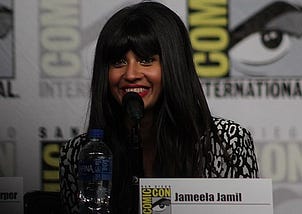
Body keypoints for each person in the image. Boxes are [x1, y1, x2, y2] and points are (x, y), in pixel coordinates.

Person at [59, 1, 259, 213]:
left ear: (174, 66)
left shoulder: (227, 143)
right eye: (118, 62)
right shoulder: (79, 154)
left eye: (146, 60)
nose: (131, 74)